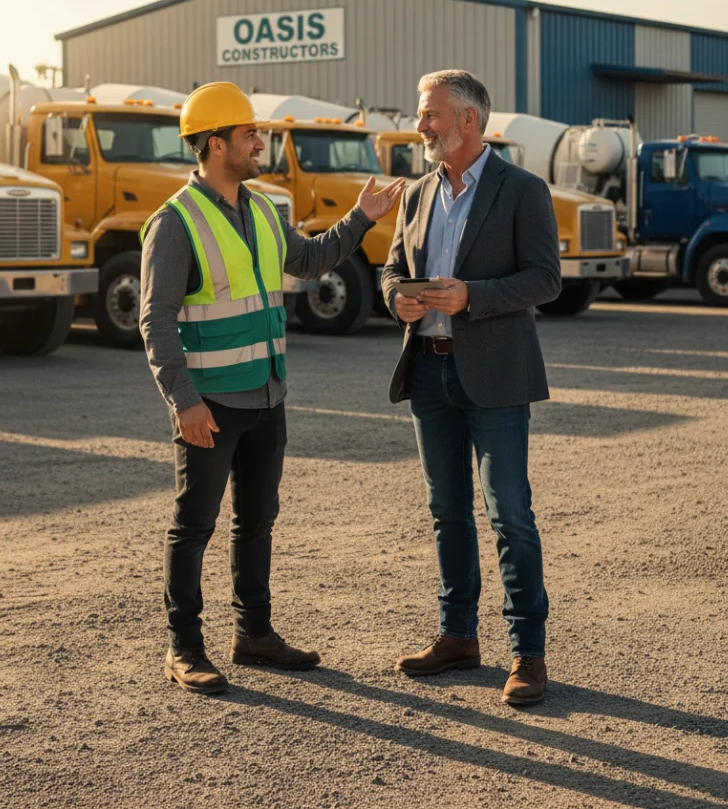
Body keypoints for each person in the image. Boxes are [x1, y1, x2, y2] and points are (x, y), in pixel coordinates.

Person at [140, 82, 405, 694]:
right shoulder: (174, 223)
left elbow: (309, 262)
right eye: (249, 135)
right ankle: (183, 648)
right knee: (194, 526)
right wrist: (182, 401)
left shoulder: (261, 209)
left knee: (256, 521)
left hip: (266, 396)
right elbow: (154, 320)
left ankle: (254, 635)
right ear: (214, 144)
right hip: (210, 405)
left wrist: (361, 218)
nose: (260, 143)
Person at [381, 70, 562, 706]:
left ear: (469, 120)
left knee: (508, 512)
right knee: (446, 510)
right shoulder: (416, 193)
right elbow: (391, 271)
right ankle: (458, 635)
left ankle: (528, 655)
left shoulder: (522, 191)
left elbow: (545, 279)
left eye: (430, 114)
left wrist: (471, 297)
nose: (421, 125)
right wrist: (397, 299)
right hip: (428, 368)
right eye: (421, 113)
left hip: (496, 374)